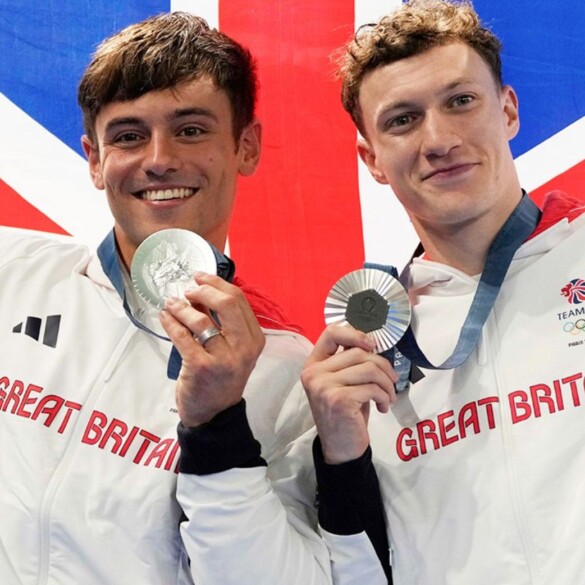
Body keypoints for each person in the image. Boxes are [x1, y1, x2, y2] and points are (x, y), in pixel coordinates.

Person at [0, 12, 336, 585]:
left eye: (191, 129)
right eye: (129, 136)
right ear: (94, 159)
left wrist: (217, 426)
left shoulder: (283, 370)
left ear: (246, 147)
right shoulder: (13, 273)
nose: (159, 159)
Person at [302, 0, 585, 583]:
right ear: (371, 158)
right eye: (402, 120)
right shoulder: (365, 349)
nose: (438, 139)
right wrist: (339, 459)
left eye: (460, 101)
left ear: (507, 110)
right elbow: (358, 569)